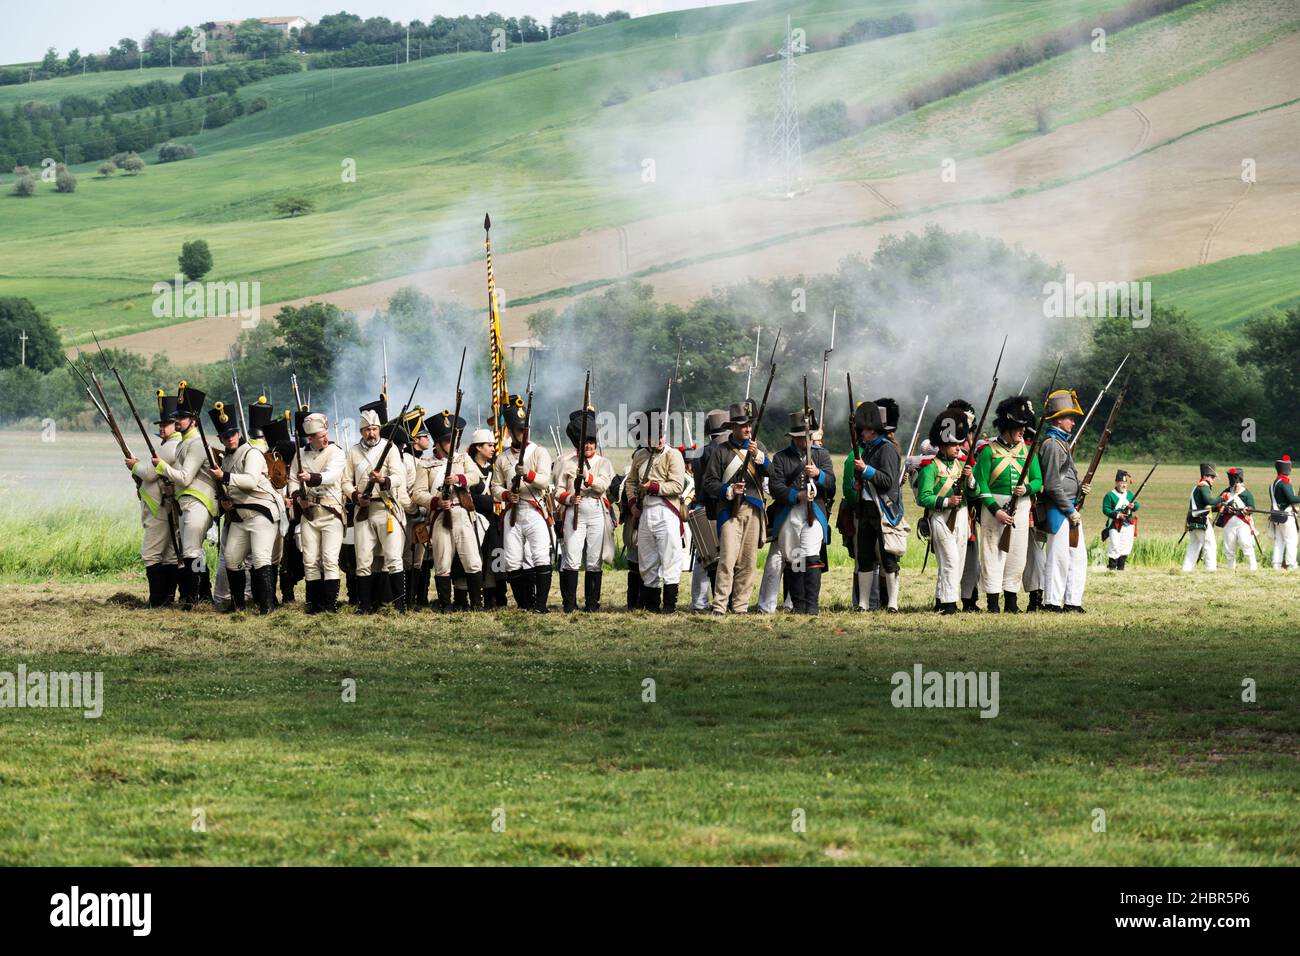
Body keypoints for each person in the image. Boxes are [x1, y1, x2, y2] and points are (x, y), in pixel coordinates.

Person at [208, 401, 280, 614]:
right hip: (239, 515)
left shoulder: (253, 453)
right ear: (221, 438)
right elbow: (230, 489)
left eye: (232, 433)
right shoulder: (227, 459)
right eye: (225, 435)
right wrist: (225, 502)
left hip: (261, 512)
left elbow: (249, 481)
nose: (229, 438)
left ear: (239, 433)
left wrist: (225, 477)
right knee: (231, 557)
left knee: (260, 558)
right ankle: (238, 605)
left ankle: (266, 607)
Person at [155, 382, 221, 609]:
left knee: (192, 552)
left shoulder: (196, 444)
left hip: (198, 503)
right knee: (193, 552)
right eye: (177, 417)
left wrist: (162, 467)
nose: (177, 421)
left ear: (193, 420)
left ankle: (190, 600)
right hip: (187, 503)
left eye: (182, 417)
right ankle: (204, 594)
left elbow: (184, 477)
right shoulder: (186, 442)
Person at [972, 395, 1040, 612]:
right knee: (992, 553)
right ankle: (993, 603)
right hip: (994, 508)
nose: (1023, 431)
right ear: (1007, 427)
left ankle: (1011, 602)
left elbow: (1038, 480)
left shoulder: (1028, 451)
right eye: (1019, 427)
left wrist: (1027, 489)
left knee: (1017, 554)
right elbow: (981, 484)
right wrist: (995, 509)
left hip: (1021, 506)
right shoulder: (988, 451)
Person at [343, 398, 411, 612]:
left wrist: (383, 480)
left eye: (374, 429)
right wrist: (355, 495)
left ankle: (399, 605)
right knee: (363, 559)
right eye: (367, 430)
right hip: (364, 509)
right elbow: (345, 481)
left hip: (386, 508)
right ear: (361, 431)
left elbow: (399, 476)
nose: (371, 433)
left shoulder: (389, 448)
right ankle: (364, 605)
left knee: (393, 558)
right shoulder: (353, 452)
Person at [702, 401, 770, 615]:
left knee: (748, 561)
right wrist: (729, 490)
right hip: (729, 511)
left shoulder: (759, 448)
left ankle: (740, 606)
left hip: (754, 509)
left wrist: (760, 458)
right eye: (743, 425)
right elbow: (709, 483)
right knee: (727, 559)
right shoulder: (721, 451)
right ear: (732, 427)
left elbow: (773, 475)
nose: (748, 429)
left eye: (750, 425)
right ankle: (720, 605)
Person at [767, 409, 835, 615]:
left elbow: (831, 486)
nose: (802, 441)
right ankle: (799, 605)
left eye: (804, 437)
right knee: (795, 558)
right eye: (798, 437)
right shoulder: (781, 458)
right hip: (790, 513)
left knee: (812, 556)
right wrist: (797, 496)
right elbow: (775, 487)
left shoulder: (821, 455)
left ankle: (812, 606)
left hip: (814, 513)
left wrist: (819, 474)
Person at [417, 409, 485, 611]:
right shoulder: (425, 465)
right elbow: (418, 493)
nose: (451, 444)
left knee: (472, 560)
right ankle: (446, 604)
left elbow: (475, 476)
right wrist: (436, 502)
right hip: (440, 516)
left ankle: (476, 603)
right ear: (437, 443)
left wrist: (459, 479)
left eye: (452, 440)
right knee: (442, 562)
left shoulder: (462, 459)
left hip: (462, 512)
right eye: (447, 441)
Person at [491, 394, 554, 611]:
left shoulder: (538, 452)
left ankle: (541, 604)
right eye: (517, 429)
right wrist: (506, 495)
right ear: (509, 431)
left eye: (524, 429)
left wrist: (528, 474)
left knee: (540, 555)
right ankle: (524, 603)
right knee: (512, 559)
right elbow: (495, 487)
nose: (521, 432)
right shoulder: (502, 458)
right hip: (513, 511)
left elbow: (545, 481)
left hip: (534, 509)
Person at [842, 398, 903, 612]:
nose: (861, 433)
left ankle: (893, 604)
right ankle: (863, 603)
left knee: (888, 557)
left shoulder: (886, 450)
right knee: (865, 556)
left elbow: (888, 481)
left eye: (865, 429)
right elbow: (864, 478)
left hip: (883, 509)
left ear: (873, 430)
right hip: (866, 508)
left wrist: (866, 470)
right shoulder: (867, 448)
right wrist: (857, 482)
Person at [625, 408, 688, 613]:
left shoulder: (673, 455)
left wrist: (654, 487)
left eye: (660, 435)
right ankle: (652, 606)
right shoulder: (640, 456)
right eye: (653, 436)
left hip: (666, 510)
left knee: (670, 559)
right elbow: (631, 482)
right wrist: (633, 503)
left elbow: (678, 486)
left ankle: (669, 606)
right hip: (645, 512)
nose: (659, 439)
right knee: (647, 560)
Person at [915, 407, 976, 614]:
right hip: (941, 517)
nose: (958, 447)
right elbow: (923, 498)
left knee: (956, 560)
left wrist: (969, 478)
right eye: (953, 444)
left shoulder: (961, 465)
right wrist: (946, 501)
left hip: (960, 516)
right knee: (950, 560)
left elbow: (973, 493)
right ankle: (950, 604)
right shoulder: (931, 468)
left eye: (959, 443)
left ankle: (942, 600)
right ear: (942, 445)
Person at [125, 390, 182, 607]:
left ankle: (157, 601)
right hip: (166, 506)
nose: (161, 428)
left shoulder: (170, 446)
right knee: (168, 555)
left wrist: (134, 466)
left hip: (159, 507)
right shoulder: (175, 444)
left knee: (151, 554)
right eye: (161, 424)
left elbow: (149, 473)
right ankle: (166, 599)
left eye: (166, 424)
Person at [554, 407, 615, 612]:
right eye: (585, 443)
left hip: (596, 509)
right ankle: (569, 604)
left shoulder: (603, 463)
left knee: (593, 560)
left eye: (591, 442)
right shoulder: (566, 462)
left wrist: (586, 478)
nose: (588, 446)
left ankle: (591, 604)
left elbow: (602, 486)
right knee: (571, 557)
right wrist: (570, 498)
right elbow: (558, 491)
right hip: (575, 510)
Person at [286, 411, 346, 613]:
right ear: (310, 438)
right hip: (309, 512)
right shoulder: (300, 454)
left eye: (325, 434)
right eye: (321, 437)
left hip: (331, 511)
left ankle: (330, 605)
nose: (325, 439)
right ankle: (313, 604)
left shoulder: (336, 452)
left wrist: (310, 477)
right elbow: (293, 480)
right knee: (310, 560)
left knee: (329, 559)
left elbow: (332, 475)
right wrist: (297, 496)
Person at [1037, 388, 1088, 613]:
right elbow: (1051, 484)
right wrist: (1069, 509)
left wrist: (1080, 488)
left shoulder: (1061, 442)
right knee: (1058, 558)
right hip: (1059, 509)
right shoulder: (1051, 444)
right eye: (1070, 418)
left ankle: (1072, 602)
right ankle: (1052, 602)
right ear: (1058, 420)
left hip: (1069, 507)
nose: (1073, 423)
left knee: (1077, 557)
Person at [689, 409, 731, 611]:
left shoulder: (700, 453)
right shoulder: (722, 451)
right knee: (719, 557)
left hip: (701, 508)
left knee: (702, 558)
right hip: (718, 508)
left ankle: (699, 602)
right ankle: (720, 601)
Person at [464, 428, 506, 607]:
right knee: (476, 558)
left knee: (497, 557)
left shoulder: (494, 469)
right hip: (475, 519)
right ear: (478, 447)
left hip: (494, 519)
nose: (493, 449)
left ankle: (497, 594)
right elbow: (471, 497)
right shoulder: (469, 468)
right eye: (489, 445)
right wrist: (492, 500)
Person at [1218, 468, 1258, 571]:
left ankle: (1253, 567)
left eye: (1237, 485)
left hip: (1242, 523)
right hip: (1228, 524)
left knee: (1245, 543)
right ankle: (1231, 568)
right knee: (1229, 546)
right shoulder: (1226, 492)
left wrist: (1247, 510)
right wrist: (1226, 508)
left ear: (1241, 483)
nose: (1235, 487)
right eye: (1234, 485)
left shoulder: (1246, 494)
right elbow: (1217, 505)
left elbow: (1252, 507)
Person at [1181, 463, 1218, 572]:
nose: (1213, 480)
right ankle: (1211, 569)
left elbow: (1206, 506)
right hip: (1201, 520)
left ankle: (1186, 569)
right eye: (1211, 477)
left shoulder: (1196, 487)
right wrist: (1222, 499)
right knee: (1210, 545)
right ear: (1205, 476)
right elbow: (1209, 501)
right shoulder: (1204, 486)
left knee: (1194, 546)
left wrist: (1218, 506)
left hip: (1192, 519)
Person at [1101, 469, 1139, 570]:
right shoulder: (1110, 495)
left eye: (1125, 483)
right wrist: (1117, 515)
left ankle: (1121, 567)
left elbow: (1137, 505)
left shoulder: (1130, 494)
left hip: (1128, 523)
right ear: (1116, 483)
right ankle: (1112, 567)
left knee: (1126, 545)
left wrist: (1133, 506)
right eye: (1121, 483)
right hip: (1115, 524)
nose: (1124, 485)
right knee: (1115, 545)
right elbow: (1106, 509)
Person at [1268, 455, 1299, 570]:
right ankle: (1291, 564)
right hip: (1286, 516)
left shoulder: (1273, 484)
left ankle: (1276, 564)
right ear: (1287, 469)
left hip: (1276, 516)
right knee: (1291, 540)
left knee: (1279, 541)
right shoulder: (1285, 482)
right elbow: (1292, 499)